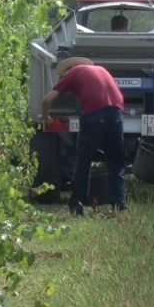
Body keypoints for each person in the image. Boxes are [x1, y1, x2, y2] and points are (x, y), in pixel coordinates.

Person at [42, 57, 126, 215]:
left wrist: (46, 117)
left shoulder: (73, 72)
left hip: (94, 115)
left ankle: (77, 205)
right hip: (117, 114)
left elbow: (47, 99)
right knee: (116, 162)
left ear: (69, 69)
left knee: (83, 161)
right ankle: (119, 206)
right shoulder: (101, 70)